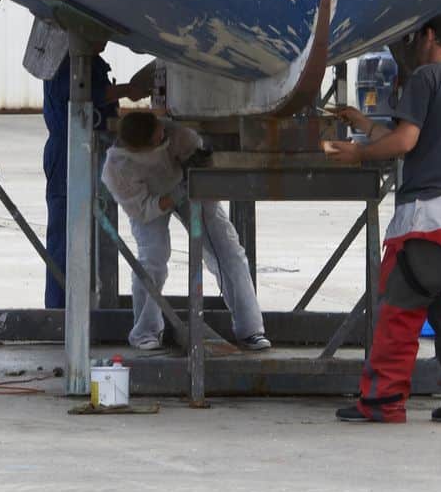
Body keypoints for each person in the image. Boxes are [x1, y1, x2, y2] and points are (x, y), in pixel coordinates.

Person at [324, 13, 441, 425]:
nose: (410, 46)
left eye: (414, 38)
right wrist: (364, 125)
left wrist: (356, 153)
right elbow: (412, 142)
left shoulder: (424, 78)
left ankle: (382, 402)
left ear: (429, 36)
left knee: (399, 312)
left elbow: (405, 142)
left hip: (426, 222)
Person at [102, 111, 270, 352]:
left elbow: (199, 154)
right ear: (141, 147)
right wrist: (174, 196)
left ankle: (251, 329)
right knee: (153, 258)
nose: (164, 136)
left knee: (228, 250)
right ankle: (145, 331)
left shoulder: (176, 134)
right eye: (158, 138)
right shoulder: (117, 168)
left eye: (162, 131)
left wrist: (200, 169)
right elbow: (144, 210)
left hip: (188, 184)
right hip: (151, 201)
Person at [41, 40, 152, 308]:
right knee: (67, 231)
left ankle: (85, 302)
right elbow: (80, 93)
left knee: (91, 230)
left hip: (89, 146)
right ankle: (61, 309)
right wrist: (128, 90)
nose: (104, 40)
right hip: (70, 148)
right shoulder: (68, 58)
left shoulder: (87, 58)